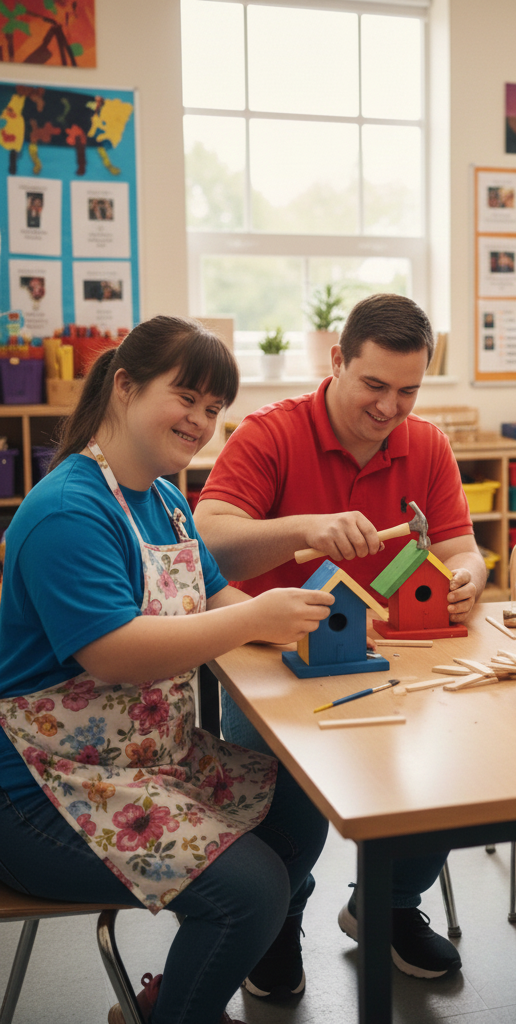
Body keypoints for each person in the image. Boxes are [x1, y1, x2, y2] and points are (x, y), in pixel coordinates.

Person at [0, 316, 335, 1024]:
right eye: (187, 398)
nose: (202, 421)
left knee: (302, 814)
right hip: (45, 789)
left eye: (214, 409)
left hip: (150, 759)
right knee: (251, 893)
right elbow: (113, 652)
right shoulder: (68, 510)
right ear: (124, 385)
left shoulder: (166, 499)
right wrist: (253, 619)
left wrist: (298, 624)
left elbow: (215, 595)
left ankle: (175, 995)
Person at [194, 292, 487, 980]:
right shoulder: (271, 433)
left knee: (461, 762)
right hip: (275, 655)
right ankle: (279, 917)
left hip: (398, 656)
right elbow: (208, 541)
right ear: (337, 361)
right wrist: (304, 530)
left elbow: (460, 547)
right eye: (374, 385)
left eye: (408, 391)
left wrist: (469, 575)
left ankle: (387, 904)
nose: (389, 408)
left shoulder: (428, 443)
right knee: (287, 802)